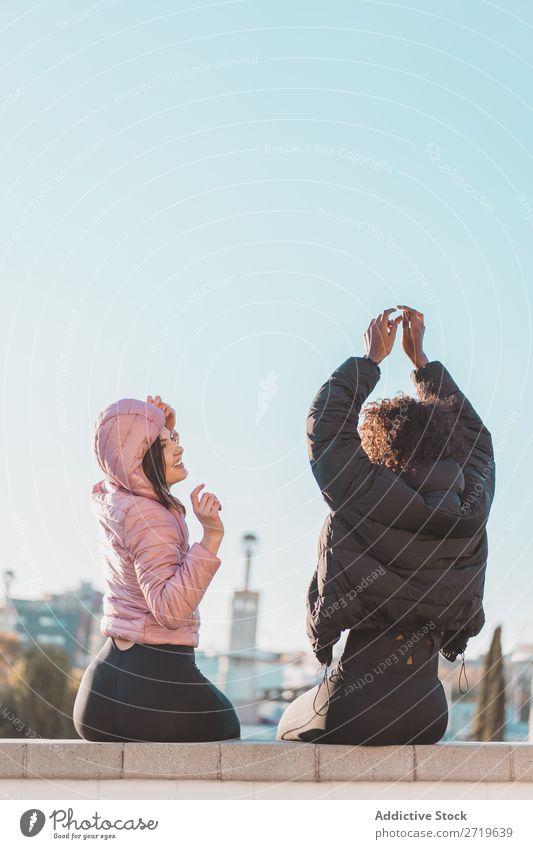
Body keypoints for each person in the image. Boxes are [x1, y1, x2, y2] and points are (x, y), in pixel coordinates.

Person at [277, 306, 495, 744]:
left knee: (289, 724)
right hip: (430, 713)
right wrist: (423, 364)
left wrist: (370, 359)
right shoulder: (472, 505)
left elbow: (326, 428)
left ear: (378, 446)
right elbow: (479, 439)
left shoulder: (363, 492)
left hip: (353, 704)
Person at [73, 394, 240, 742]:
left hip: (100, 694)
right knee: (228, 726)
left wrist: (158, 426)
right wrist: (211, 537)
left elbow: (119, 454)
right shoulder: (152, 518)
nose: (179, 449)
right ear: (140, 458)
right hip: (153, 690)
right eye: (165, 444)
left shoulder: (117, 499)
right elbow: (168, 610)